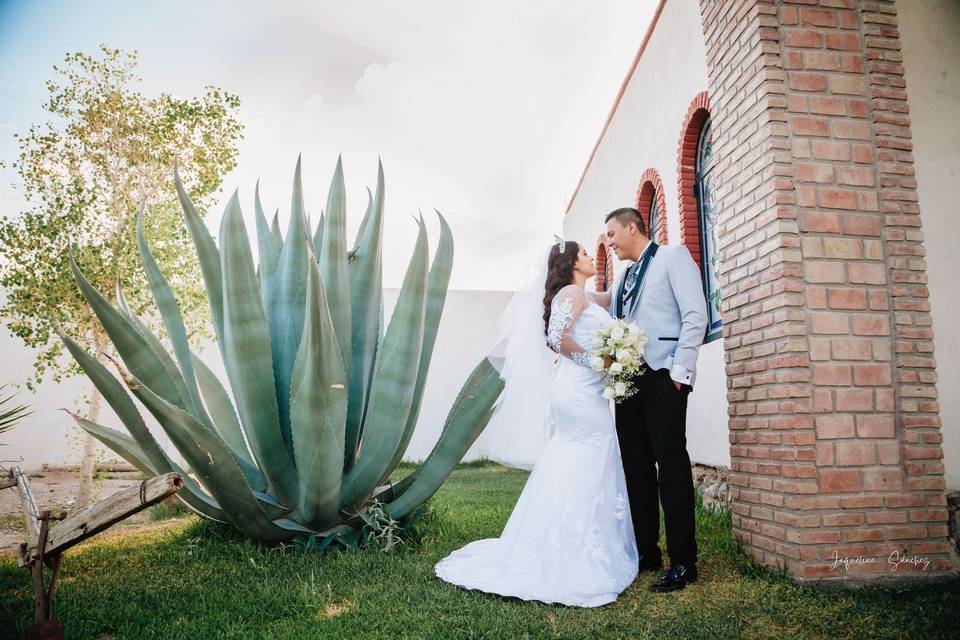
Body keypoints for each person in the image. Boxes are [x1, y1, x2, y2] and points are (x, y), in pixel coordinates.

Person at [434, 239, 638, 607]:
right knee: (590, 453)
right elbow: (557, 339)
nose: (594, 257)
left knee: (579, 457)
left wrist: (633, 269)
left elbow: (612, 296)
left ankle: (574, 538)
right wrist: (601, 362)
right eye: (587, 254)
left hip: (584, 390)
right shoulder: (569, 295)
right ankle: (572, 551)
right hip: (578, 391)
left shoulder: (584, 295)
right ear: (573, 263)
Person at [604, 206, 707, 592]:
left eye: (612, 235)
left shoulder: (672, 257)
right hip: (626, 382)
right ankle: (646, 552)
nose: (610, 243)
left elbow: (696, 313)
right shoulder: (624, 276)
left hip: (664, 376)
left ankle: (684, 562)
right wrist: (566, 287)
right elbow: (605, 306)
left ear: (633, 227)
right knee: (636, 468)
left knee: (671, 466)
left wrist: (680, 374)